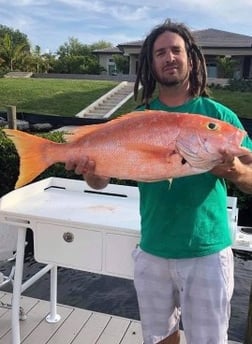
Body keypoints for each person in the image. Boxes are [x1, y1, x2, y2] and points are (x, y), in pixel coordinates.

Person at [65, 19, 252, 344]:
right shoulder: (139, 117)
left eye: (176, 50)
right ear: (151, 64)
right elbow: (100, 183)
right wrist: (92, 173)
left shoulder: (219, 117)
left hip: (206, 252)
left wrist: (235, 171)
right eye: (160, 53)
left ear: (190, 59)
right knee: (159, 338)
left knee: (208, 339)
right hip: (153, 248)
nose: (169, 58)